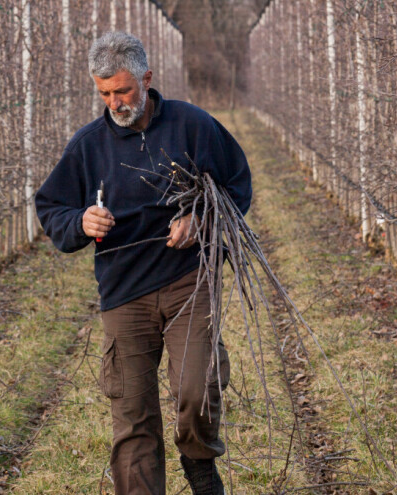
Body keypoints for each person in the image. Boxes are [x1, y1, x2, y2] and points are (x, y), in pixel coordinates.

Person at [35, 31, 252, 495]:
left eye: (122, 91)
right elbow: (51, 208)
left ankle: (198, 463)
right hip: (123, 292)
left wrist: (201, 218)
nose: (114, 102)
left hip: (187, 282)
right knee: (133, 421)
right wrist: (81, 221)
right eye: (104, 93)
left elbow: (237, 184)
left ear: (146, 79)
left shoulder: (193, 126)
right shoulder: (88, 145)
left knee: (197, 390)